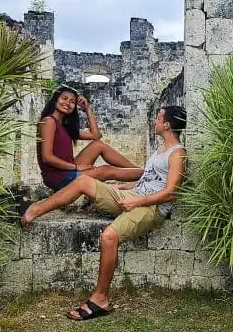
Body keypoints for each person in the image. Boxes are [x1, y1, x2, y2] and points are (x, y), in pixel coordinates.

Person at [23, 105, 188, 321]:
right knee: (83, 182)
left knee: (109, 236)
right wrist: (123, 188)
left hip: (151, 208)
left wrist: (139, 201)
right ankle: (35, 210)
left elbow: (170, 193)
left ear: (167, 124)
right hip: (135, 198)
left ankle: (101, 299)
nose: (155, 121)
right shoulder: (159, 151)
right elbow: (148, 181)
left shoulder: (178, 153)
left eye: (159, 117)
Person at [37, 85, 144, 192]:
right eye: (64, 98)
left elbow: (96, 135)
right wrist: (75, 167)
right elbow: (47, 157)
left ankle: (141, 171)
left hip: (67, 170)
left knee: (98, 145)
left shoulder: (65, 127)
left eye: (72, 101)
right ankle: (147, 175)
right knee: (105, 170)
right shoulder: (49, 121)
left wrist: (87, 108)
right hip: (58, 177)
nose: (67, 103)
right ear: (56, 99)